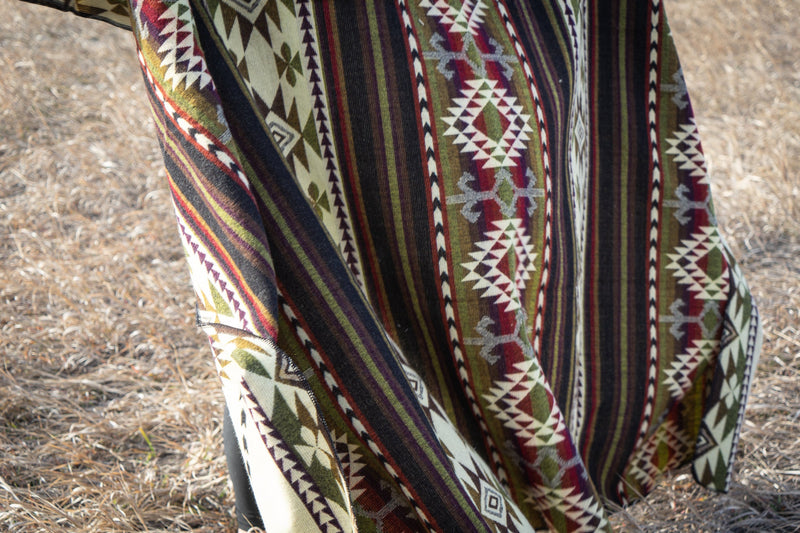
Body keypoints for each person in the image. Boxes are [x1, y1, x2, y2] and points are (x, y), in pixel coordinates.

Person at [20, 1, 761, 531]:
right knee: (296, 273)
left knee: (491, 271)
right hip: (309, 35)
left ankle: (469, 468)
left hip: (471, 43)